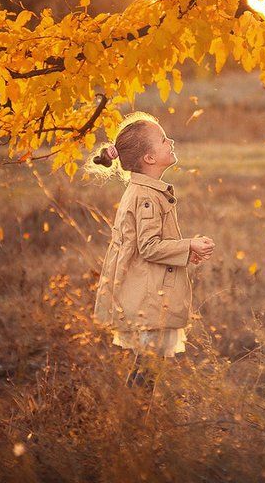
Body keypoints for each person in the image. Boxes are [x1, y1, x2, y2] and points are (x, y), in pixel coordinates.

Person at [86, 112, 216, 395]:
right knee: (147, 368)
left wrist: (183, 253)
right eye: (162, 139)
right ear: (149, 159)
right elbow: (149, 246)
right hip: (148, 294)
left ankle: (135, 419)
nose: (170, 141)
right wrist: (188, 245)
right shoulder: (146, 196)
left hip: (148, 288)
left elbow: (153, 244)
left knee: (148, 367)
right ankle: (132, 420)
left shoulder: (148, 191)